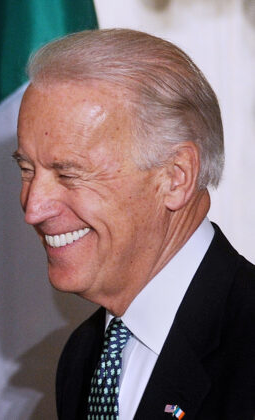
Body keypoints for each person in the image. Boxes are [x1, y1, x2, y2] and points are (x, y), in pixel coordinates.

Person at [14, 29, 255, 419]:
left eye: (69, 174)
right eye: (27, 169)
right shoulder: (83, 354)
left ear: (175, 177)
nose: (33, 208)